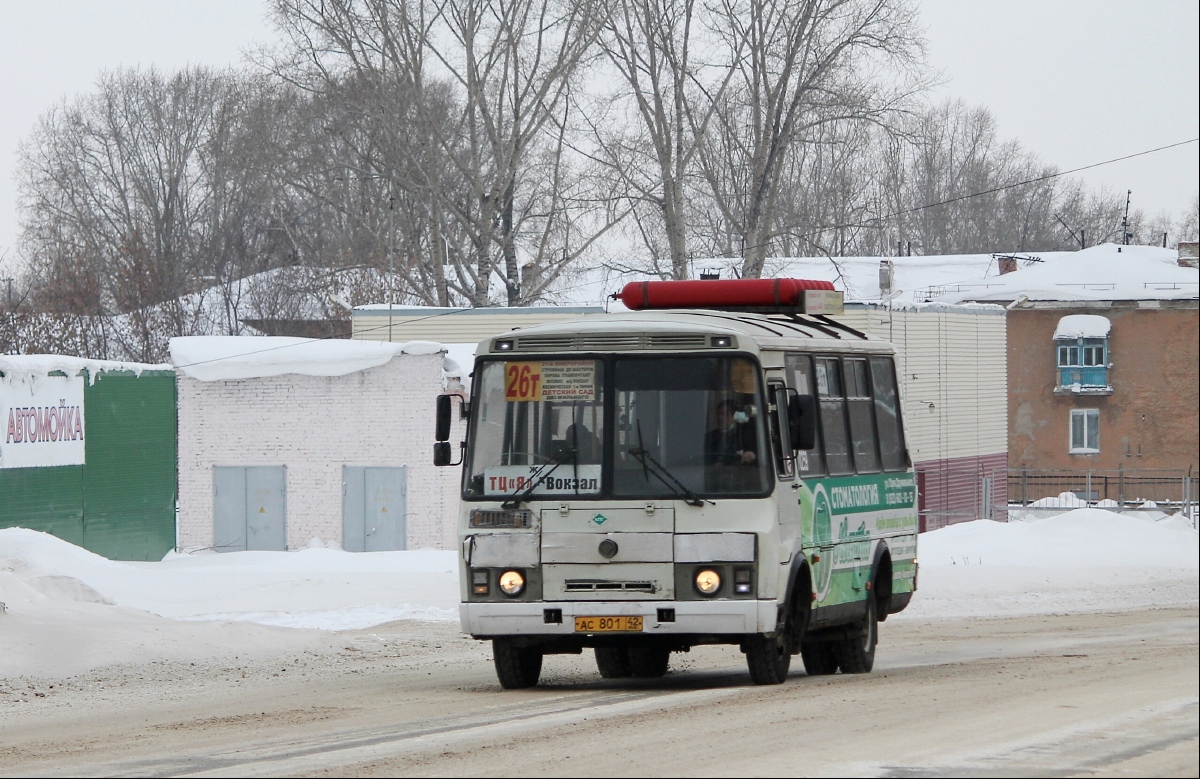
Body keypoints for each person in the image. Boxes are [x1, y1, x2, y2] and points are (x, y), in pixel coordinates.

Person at [705, 399, 757, 466]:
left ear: (737, 416)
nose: (720, 417)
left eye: (726, 414)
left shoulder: (748, 437)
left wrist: (752, 456)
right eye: (719, 414)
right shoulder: (709, 437)